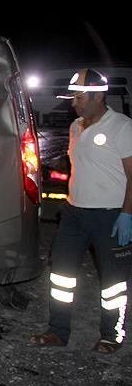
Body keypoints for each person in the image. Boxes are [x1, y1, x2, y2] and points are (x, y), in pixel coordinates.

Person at [30, 68, 132, 354]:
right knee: (61, 276)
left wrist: (128, 213)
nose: (73, 102)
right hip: (74, 213)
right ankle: (57, 331)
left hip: (110, 215)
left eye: (78, 96)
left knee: (113, 283)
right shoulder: (76, 127)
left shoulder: (122, 127)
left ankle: (112, 335)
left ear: (97, 96)